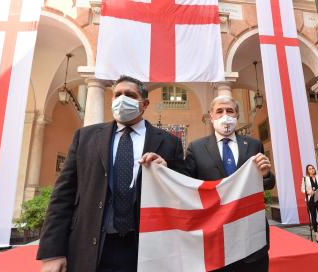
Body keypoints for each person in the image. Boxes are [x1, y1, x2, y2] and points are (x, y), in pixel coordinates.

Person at [37, 76, 184, 272]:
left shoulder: (169, 142)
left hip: (144, 249)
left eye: (130, 95)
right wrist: (52, 253)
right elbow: (63, 195)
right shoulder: (85, 137)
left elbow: (181, 192)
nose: (122, 99)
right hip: (91, 245)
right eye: (117, 95)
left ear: (145, 104)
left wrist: (166, 172)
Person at [183, 95, 275, 272]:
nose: (225, 115)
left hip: (250, 234)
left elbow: (268, 183)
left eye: (230, 111)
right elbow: (187, 186)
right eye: (219, 111)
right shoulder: (196, 147)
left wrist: (265, 175)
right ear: (211, 116)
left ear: (237, 115)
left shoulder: (254, 145)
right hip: (214, 233)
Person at [300, 164, 318, 243]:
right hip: (311, 199)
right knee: (314, 217)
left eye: (313, 168)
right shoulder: (305, 179)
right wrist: (308, 192)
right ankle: (316, 234)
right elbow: (302, 189)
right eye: (310, 169)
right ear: (307, 171)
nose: (312, 170)